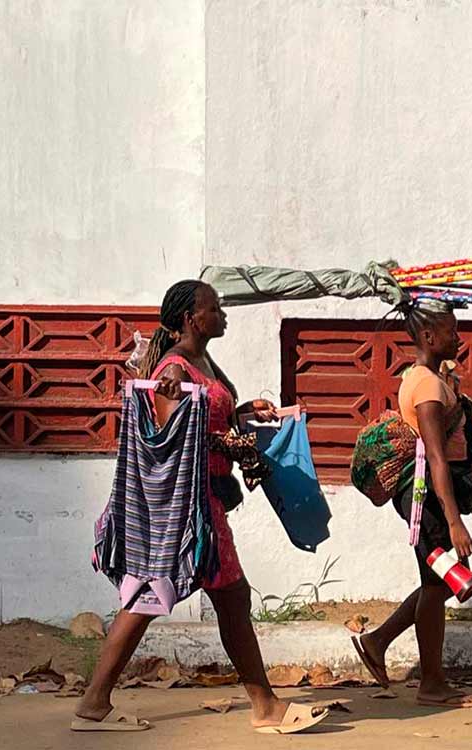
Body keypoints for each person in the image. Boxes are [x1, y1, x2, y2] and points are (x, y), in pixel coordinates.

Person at [73, 280, 329, 735]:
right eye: (215, 308)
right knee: (177, 597)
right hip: (190, 507)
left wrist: (246, 413)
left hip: (207, 501)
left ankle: (97, 701)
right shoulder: (174, 369)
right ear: (192, 318)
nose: (223, 314)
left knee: (192, 597)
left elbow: (208, 419)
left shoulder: (202, 362)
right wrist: (228, 442)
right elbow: (171, 437)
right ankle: (263, 706)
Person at [351, 298, 472, 709]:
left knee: (439, 583)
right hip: (427, 498)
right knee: (439, 583)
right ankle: (431, 683)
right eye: (451, 330)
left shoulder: (429, 377)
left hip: (428, 495)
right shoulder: (426, 386)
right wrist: (454, 520)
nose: (458, 337)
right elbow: (437, 456)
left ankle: (377, 642)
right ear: (429, 336)